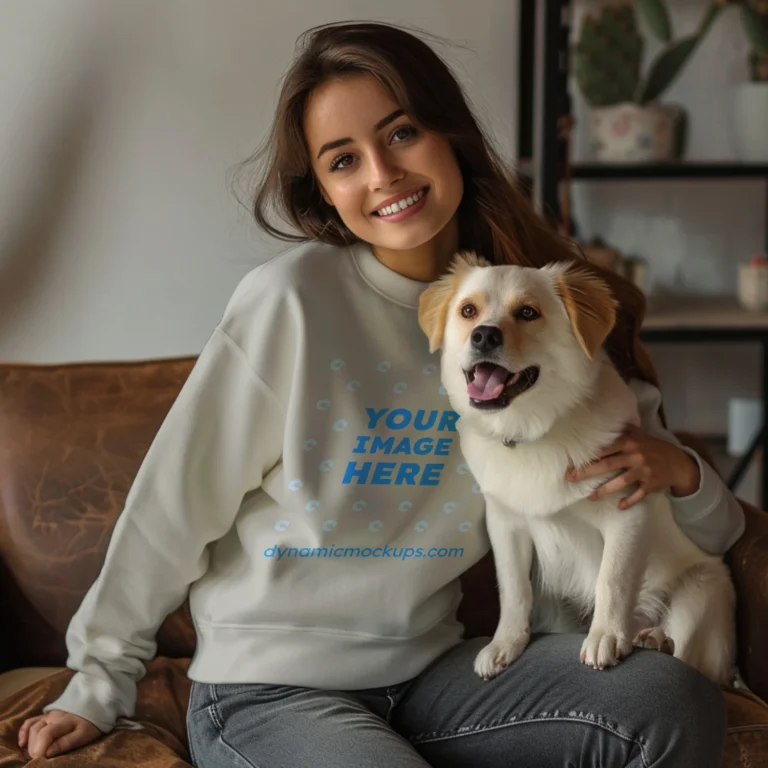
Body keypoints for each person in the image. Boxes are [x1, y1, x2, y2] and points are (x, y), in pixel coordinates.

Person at [18, 21, 744, 767]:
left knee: (664, 701)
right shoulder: (290, 303)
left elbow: (686, 519)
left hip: (433, 675)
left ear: (450, 134)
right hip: (269, 691)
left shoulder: (536, 306)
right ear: (327, 194)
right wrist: (98, 680)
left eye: (401, 133)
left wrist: (682, 475)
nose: (382, 174)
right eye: (343, 160)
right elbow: (172, 504)